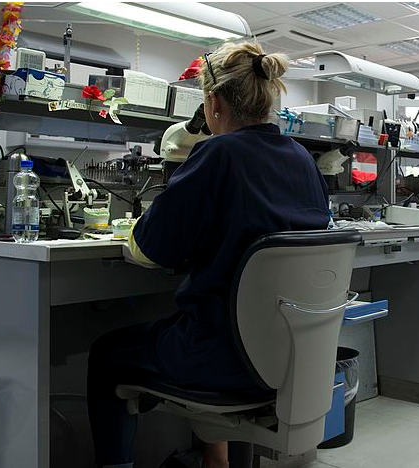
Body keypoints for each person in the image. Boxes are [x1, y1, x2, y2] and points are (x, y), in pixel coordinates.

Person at [87, 41, 331, 468]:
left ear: (214, 102)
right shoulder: (302, 160)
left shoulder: (216, 153)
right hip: (288, 360)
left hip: (219, 358)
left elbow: (150, 248)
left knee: (108, 353)